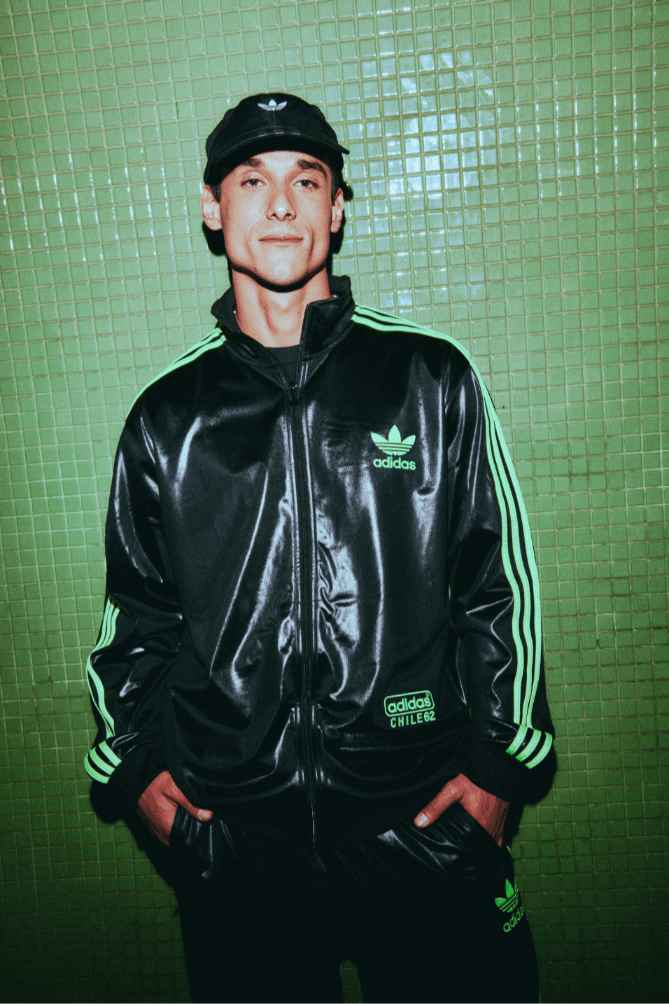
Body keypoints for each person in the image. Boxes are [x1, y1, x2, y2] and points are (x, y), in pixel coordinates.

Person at [85, 93, 556, 1004]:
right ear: (211, 207)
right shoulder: (166, 417)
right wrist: (136, 771)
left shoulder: (430, 377)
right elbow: (134, 617)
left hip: (419, 817)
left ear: (337, 208)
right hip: (237, 841)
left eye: (306, 181)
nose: (280, 204)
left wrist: (499, 769)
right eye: (250, 181)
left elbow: (498, 587)